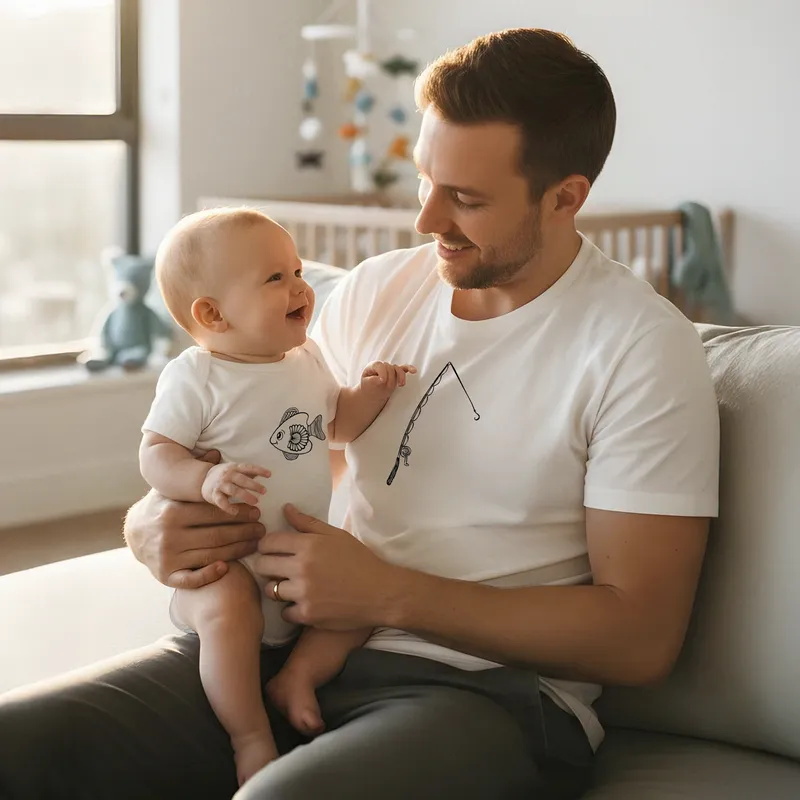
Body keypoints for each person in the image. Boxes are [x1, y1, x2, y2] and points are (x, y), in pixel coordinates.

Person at [0, 28, 719, 800]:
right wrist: (153, 524)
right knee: (21, 746)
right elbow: (286, 444)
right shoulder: (379, 290)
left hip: (489, 699)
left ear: (565, 197)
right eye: (425, 182)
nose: (425, 220)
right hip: (289, 649)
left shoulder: (642, 350)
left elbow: (641, 640)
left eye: (466, 199)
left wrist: (386, 594)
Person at [138, 208, 415, 785]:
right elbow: (156, 453)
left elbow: (337, 424)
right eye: (275, 279)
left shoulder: (307, 359)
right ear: (212, 314)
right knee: (230, 611)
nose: (299, 286)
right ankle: (250, 736)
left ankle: (299, 677)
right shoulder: (197, 377)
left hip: (292, 556)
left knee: (361, 600)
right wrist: (202, 480)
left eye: (296, 270)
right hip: (225, 568)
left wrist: (369, 393)